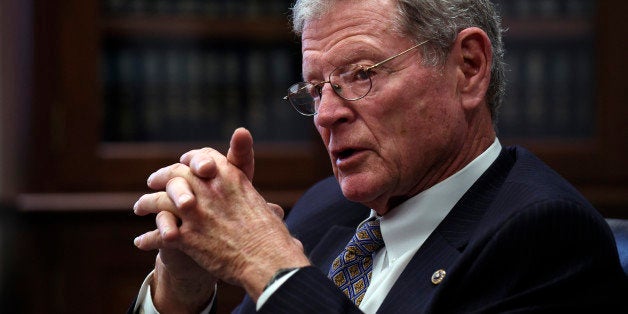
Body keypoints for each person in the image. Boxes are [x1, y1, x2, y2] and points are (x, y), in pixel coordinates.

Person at [129, 0, 628, 313]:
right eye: (315, 88)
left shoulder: (545, 236)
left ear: (469, 68)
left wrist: (270, 265)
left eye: (361, 74)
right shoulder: (325, 208)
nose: (325, 115)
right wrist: (183, 291)